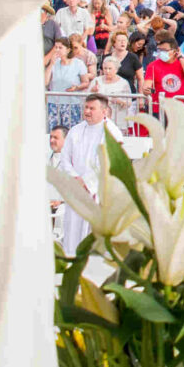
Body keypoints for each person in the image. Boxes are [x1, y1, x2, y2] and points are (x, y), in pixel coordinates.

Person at [51, 93, 120, 254]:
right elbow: (65, 158)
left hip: (98, 192)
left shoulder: (112, 133)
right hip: (75, 191)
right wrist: (75, 178)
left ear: (104, 111)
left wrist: (87, 183)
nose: (87, 111)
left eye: (92, 108)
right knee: (72, 234)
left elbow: (107, 163)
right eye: (86, 107)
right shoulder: (75, 130)